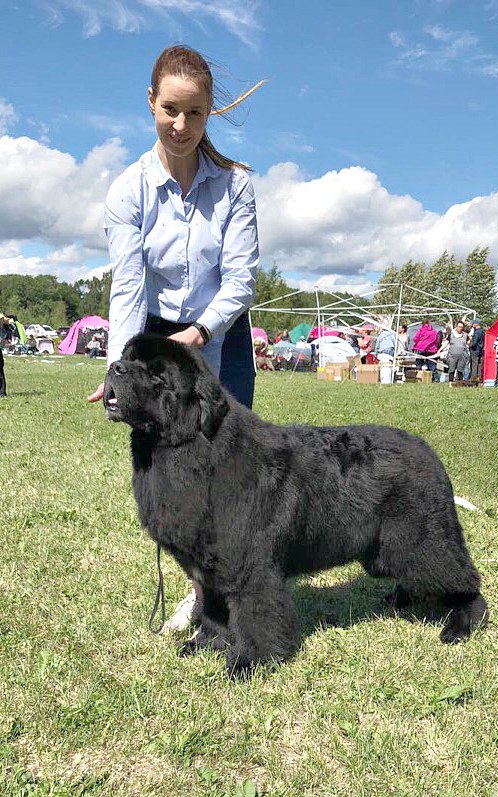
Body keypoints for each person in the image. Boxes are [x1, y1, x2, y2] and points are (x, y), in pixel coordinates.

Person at [87, 44, 262, 630]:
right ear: (150, 103)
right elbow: (128, 286)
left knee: (226, 464)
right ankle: (200, 588)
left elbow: (240, 279)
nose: (181, 126)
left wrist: (203, 330)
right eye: (170, 110)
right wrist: (118, 370)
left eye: (195, 113)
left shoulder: (236, 186)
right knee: (174, 473)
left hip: (221, 330)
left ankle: (228, 584)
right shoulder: (127, 189)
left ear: (210, 112)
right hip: (160, 339)